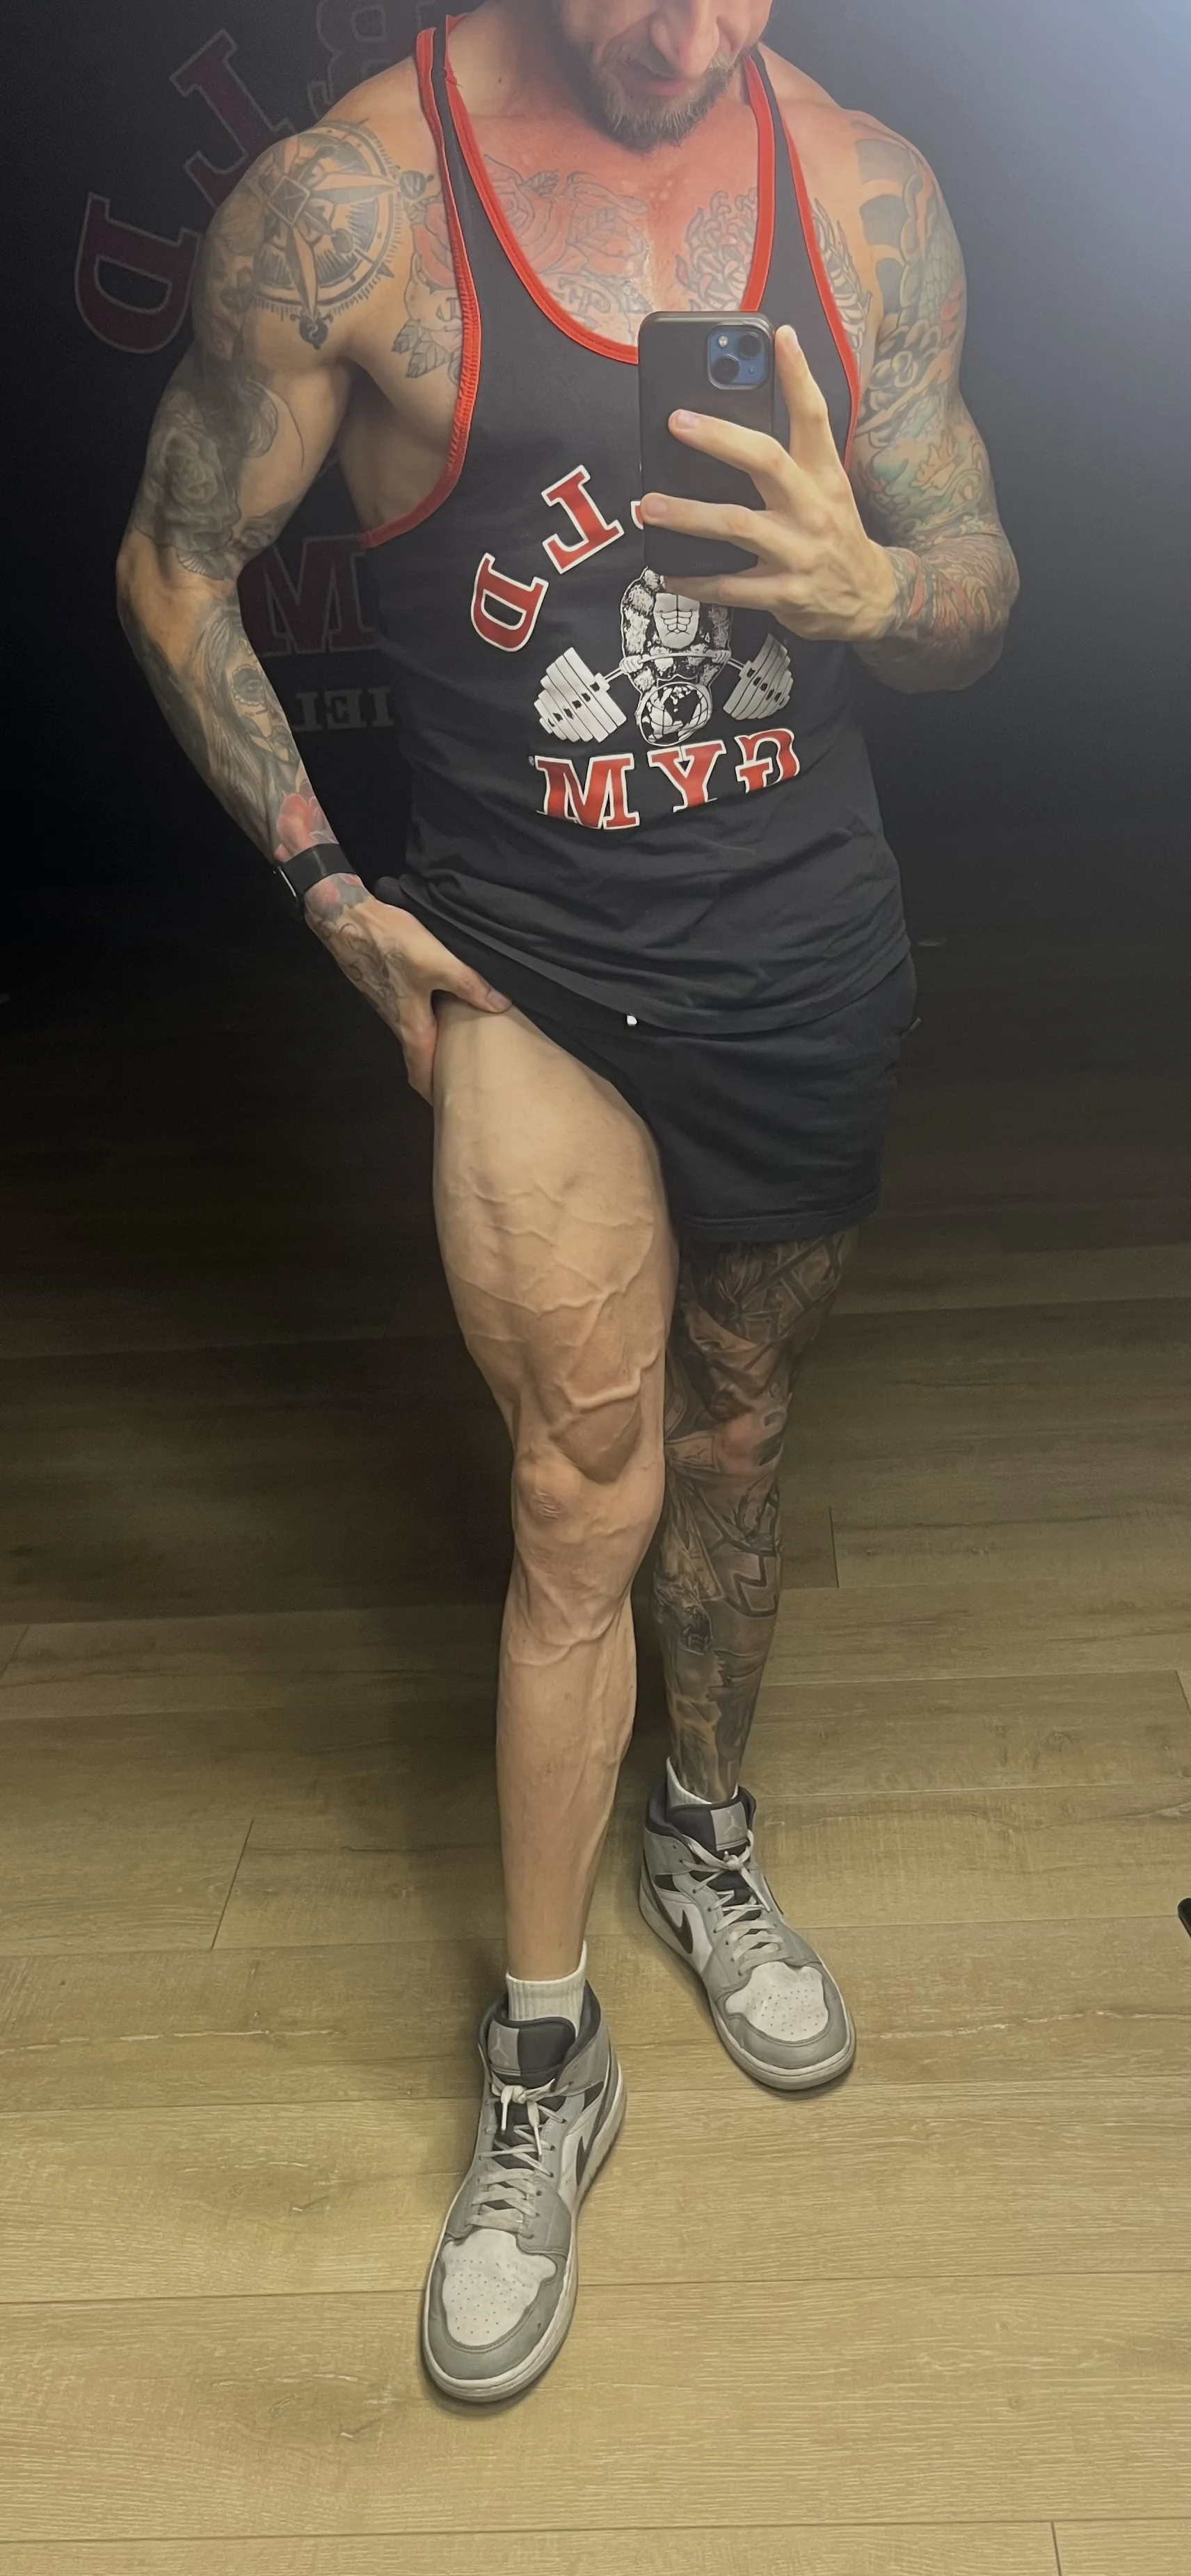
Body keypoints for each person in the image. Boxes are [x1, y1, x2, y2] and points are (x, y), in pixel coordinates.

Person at [117, 0, 1018, 2403]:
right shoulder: (355, 209)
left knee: (735, 1438)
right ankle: (546, 2048)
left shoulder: (865, 195)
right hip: (533, 971)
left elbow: (981, 574)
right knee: (576, 1494)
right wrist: (328, 888)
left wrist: (870, 591)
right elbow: (178, 562)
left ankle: (702, 1836)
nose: (685, 34)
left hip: (805, 951)